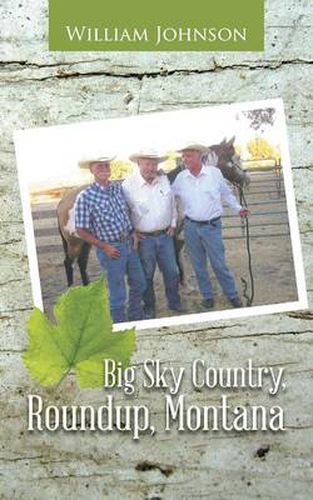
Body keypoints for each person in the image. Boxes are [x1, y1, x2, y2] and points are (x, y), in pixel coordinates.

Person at [172, 143, 249, 309]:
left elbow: (226, 194)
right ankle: (207, 296)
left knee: (219, 264)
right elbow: (168, 196)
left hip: (211, 227)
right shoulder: (181, 178)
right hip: (191, 227)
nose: (185, 159)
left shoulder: (214, 174)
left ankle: (232, 294)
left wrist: (238, 208)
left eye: (189, 155)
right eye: (184, 156)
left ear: (200, 156)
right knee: (198, 265)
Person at [75, 156, 146, 323]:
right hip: (112, 249)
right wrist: (104, 246)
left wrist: (133, 231)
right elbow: (80, 230)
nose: (104, 169)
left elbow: (125, 212)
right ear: (91, 169)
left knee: (139, 283)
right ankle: (120, 324)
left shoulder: (117, 189)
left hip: (129, 244)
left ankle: (135, 316)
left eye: (106, 166)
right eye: (99, 166)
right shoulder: (85, 197)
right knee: (118, 292)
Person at [122, 151, 182, 319]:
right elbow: (123, 211)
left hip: (165, 236)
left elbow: (172, 203)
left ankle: (174, 302)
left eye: (154, 164)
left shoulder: (163, 180)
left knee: (172, 272)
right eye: (147, 164)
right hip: (144, 239)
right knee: (147, 275)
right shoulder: (128, 185)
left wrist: (173, 223)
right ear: (139, 164)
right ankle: (149, 307)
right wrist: (131, 231)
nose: (151, 168)